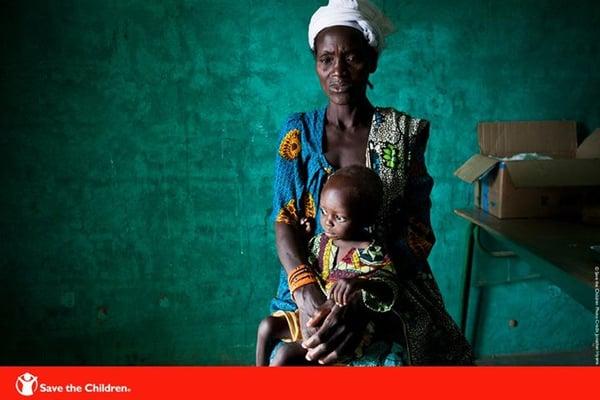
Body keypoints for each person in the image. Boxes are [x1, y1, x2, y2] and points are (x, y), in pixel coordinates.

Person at [266, 0, 473, 365]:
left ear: (372, 61)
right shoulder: (298, 132)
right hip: (309, 284)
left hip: (385, 283)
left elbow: (418, 232)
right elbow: (284, 218)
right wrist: (307, 293)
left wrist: (363, 298)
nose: (338, 72)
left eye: (352, 58)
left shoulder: (403, 134)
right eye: (326, 59)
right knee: (290, 354)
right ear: (315, 64)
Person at [257, 166, 399, 366]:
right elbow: (308, 264)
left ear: (365, 218)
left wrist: (359, 284)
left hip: (346, 327)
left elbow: (388, 289)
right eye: (323, 212)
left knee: (284, 356)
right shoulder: (321, 242)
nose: (327, 222)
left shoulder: (372, 252)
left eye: (339, 217)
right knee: (267, 326)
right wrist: (303, 237)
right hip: (312, 315)